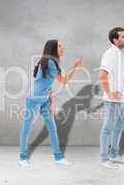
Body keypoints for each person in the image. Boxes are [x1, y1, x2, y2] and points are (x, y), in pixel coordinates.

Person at [19, 39, 82, 167]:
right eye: (60, 46)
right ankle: (22, 158)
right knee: (27, 128)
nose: (62, 48)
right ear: (53, 49)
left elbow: (48, 84)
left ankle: (58, 158)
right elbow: (64, 81)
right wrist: (75, 67)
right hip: (33, 99)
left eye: (62, 46)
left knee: (52, 128)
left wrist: (52, 103)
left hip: (44, 100)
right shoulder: (50, 62)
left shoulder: (51, 62)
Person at [98, 27, 124, 169]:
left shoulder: (119, 53)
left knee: (119, 127)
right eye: (123, 36)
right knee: (107, 129)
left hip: (123, 99)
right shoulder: (110, 54)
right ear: (115, 40)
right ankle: (104, 159)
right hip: (113, 100)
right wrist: (109, 93)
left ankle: (114, 154)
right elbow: (102, 75)